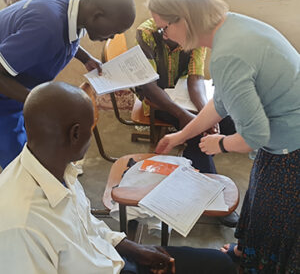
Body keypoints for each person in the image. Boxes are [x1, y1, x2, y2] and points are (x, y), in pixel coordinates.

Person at [0, 81, 237, 274]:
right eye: (91, 126)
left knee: (221, 264)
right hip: (111, 265)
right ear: (75, 134)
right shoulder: (20, 225)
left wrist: (135, 250)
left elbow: (87, 226)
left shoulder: (55, 167)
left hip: (115, 259)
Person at [150, 0, 300, 273]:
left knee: (275, 216)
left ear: (185, 18)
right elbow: (221, 102)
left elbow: (254, 136)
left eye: (164, 28)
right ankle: (249, 254)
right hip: (283, 137)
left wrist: (218, 144)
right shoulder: (232, 26)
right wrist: (183, 134)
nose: (165, 37)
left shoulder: (227, 54)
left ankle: (261, 265)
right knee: (259, 202)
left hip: (291, 149)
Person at [0, 0, 136, 170]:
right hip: (4, 97)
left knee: (32, 147)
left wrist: (86, 57)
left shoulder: (73, 6)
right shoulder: (46, 27)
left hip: (17, 87)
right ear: (97, 15)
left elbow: (68, 32)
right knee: (22, 167)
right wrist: (37, 102)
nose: (113, 37)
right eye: (114, 31)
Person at [136, 18, 238, 228]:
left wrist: (204, 115)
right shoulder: (146, 33)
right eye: (162, 26)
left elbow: (195, 79)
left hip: (183, 97)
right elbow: (149, 86)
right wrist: (189, 119)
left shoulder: (195, 32)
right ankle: (211, 194)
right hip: (157, 102)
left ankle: (195, 172)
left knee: (227, 122)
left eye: (170, 26)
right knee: (197, 134)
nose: (164, 31)